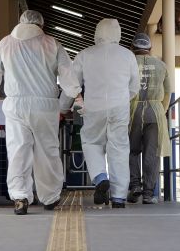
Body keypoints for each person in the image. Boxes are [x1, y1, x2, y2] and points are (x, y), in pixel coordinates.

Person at [0, 10, 78, 215]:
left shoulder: (5, 43)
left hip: (15, 104)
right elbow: (67, 73)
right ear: (41, 25)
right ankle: (50, 197)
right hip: (45, 105)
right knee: (47, 150)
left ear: (20, 22)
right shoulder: (52, 43)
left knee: (18, 150)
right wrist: (75, 94)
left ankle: (20, 197)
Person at [67, 18, 139, 208]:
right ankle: (118, 198)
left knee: (91, 142)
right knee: (119, 149)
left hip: (93, 107)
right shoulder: (128, 55)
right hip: (120, 107)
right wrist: (122, 99)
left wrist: (68, 104)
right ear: (118, 33)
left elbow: (72, 84)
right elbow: (134, 87)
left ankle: (100, 177)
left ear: (97, 33)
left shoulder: (84, 54)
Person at [127, 33, 171, 204]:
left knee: (131, 150)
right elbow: (167, 92)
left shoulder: (128, 63)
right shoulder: (161, 65)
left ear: (133, 48)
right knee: (152, 153)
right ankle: (148, 193)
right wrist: (161, 110)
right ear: (150, 49)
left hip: (133, 110)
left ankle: (135, 185)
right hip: (156, 111)